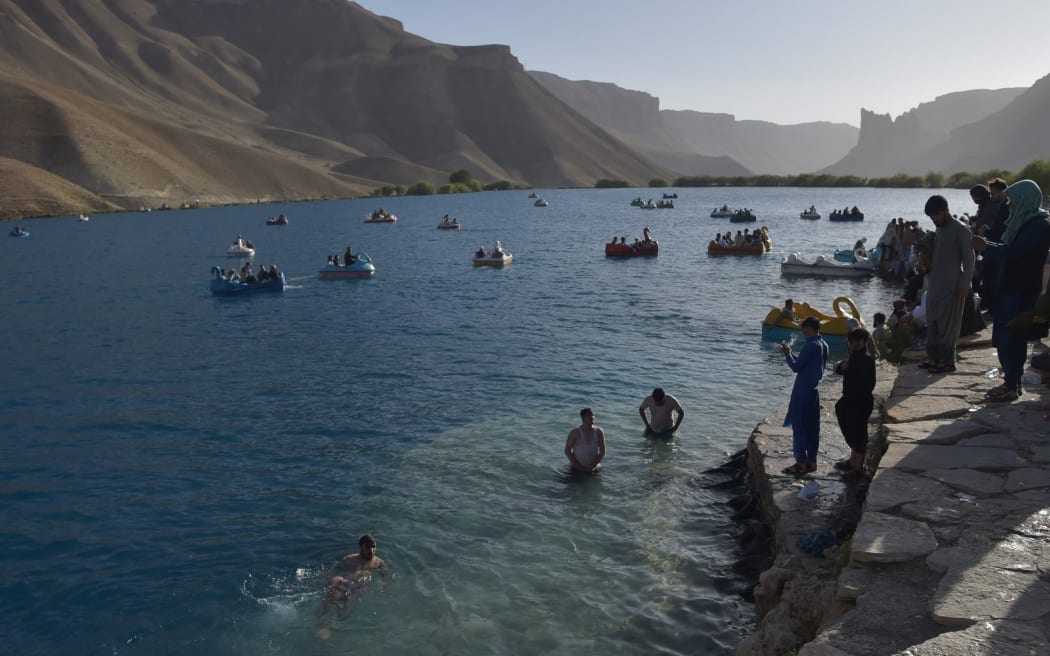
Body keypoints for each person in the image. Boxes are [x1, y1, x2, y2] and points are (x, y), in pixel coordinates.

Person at [972, 179, 1050, 402]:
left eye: (1013, 202)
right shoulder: (1024, 221)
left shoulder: (1039, 225)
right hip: (1009, 287)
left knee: (1013, 339)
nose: (1010, 206)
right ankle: (1009, 382)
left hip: (1021, 289)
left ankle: (1012, 385)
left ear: (1025, 199)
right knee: (1003, 338)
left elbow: (1014, 253)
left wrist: (986, 247)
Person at [921, 195, 975, 374]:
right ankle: (934, 358)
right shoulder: (940, 230)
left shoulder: (961, 230)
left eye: (936, 215)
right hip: (935, 284)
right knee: (933, 321)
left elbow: (969, 260)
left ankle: (947, 361)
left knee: (948, 325)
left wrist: (964, 285)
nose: (934, 219)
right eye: (931, 217)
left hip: (953, 286)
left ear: (945, 211)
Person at [780, 317, 829, 476]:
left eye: (803, 329)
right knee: (813, 427)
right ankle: (812, 461)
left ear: (809, 328)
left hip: (802, 390)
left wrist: (787, 354)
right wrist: (792, 353)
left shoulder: (810, 346)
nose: (802, 332)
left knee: (799, 427)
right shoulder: (824, 345)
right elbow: (805, 364)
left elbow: (796, 367)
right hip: (813, 389)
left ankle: (800, 462)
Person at [833, 328, 876, 477]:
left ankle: (858, 467)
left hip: (860, 401)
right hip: (850, 400)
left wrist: (846, 369)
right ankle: (852, 460)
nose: (854, 344)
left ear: (864, 341)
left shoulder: (866, 359)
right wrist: (842, 367)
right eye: (852, 341)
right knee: (850, 429)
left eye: (858, 341)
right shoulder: (854, 357)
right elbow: (841, 370)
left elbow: (865, 383)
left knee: (859, 433)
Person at [320, 535, 389, 624]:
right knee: (335, 581)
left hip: (359, 588)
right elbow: (336, 569)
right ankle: (321, 616)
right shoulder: (350, 559)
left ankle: (333, 624)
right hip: (345, 583)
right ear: (360, 548)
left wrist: (386, 585)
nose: (371, 551)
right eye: (367, 547)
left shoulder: (378, 562)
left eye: (373, 547)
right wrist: (325, 575)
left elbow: (386, 575)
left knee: (347, 608)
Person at [564, 408, 606, 473]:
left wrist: (592, 466)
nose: (592, 417)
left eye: (593, 415)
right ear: (583, 418)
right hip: (577, 468)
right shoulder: (575, 432)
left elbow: (602, 451)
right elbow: (567, 451)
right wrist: (578, 466)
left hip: (594, 467)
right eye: (589, 415)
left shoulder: (599, 431)